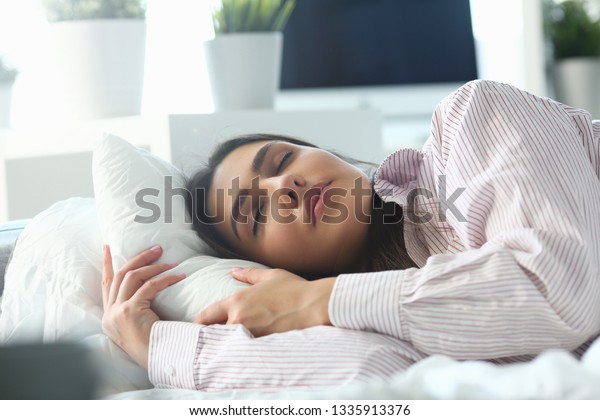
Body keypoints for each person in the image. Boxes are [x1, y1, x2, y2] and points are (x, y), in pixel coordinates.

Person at [101, 80, 600, 392]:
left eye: (281, 161)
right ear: (273, 271)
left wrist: (321, 297)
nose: (283, 186)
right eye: (255, 214)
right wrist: (158, 351)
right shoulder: (366, 319)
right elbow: (370, 374)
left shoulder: (472, 121)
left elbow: (560, 286)